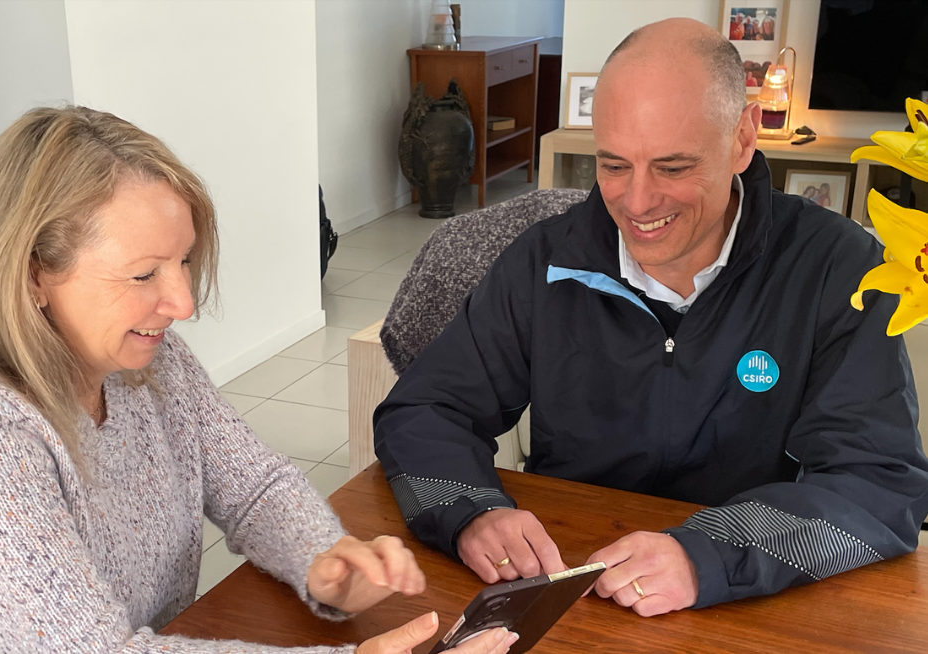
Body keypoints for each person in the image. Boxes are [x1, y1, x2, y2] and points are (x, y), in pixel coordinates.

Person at [0, 106, 520, 654]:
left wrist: (322, 557)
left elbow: (254, 487)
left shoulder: (147, 364)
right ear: (32, 274)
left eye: (185, 262)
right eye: (145, 274)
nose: (182, 303)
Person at [373, 17, 928, 618]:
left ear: (744, 138)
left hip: (751, 598)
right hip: (576, 586)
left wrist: (709, 556)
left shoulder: (838, 267)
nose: (636, 204)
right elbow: (425, 408)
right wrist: (472, 511)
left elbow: (877, 480)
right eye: (614, 165)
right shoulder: (545, 261)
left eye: (673, 167)